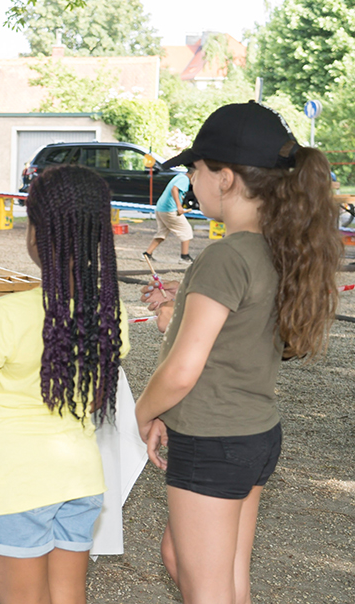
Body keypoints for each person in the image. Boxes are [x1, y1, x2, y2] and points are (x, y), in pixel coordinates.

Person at [135, 102, 341, 604]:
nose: (190, 180)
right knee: (222, 577)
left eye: (194, 169)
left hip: (212, 441)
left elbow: (184, 369)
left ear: (225, 178)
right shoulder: (281, 246)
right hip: (254, 435)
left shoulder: (226, 255)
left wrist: (142, 412)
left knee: (204, 585)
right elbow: (232, 341)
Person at [0, 165, 129, 604]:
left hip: (16, 481)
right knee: (68, 595)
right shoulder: (112, 315)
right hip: (80, 478)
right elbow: (89, 400)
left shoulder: (8, 314)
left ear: (37, 233)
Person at [143, 169, 195, 264]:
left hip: (160, 208)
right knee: (186, 230)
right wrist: (179, 206)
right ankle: (184, 257)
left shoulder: (180, 176)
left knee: (162, 233)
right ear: (195, 174)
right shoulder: (184, 180)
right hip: (169, 210)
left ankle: (146, 254)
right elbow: (174, 189)